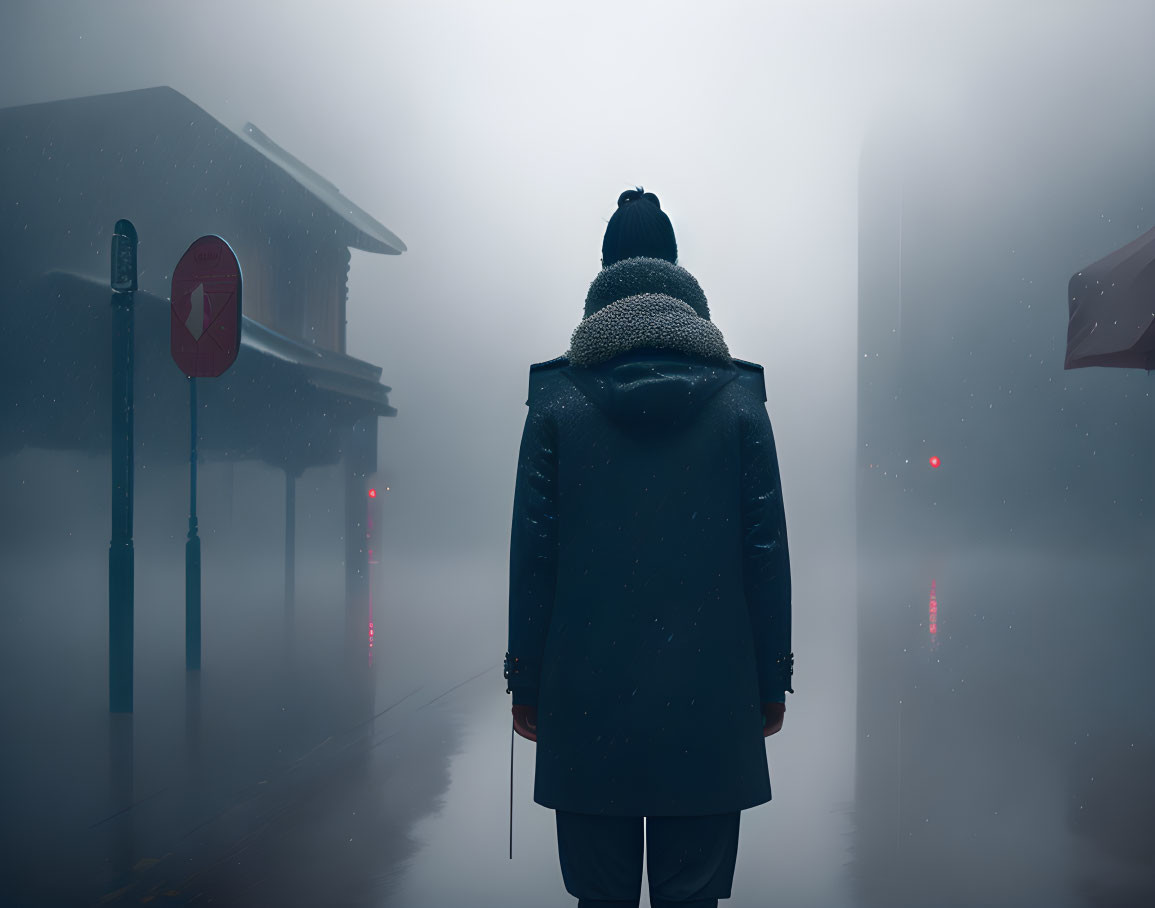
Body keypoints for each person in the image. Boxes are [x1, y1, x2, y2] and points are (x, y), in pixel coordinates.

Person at [504, 187, 793, 908]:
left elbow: (534, 554)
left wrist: (528, 683)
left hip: (585, 703)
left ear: (603, 276)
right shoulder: (736, 406)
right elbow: (765, 553)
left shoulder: (559, 407)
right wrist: (767, 682)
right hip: (709, 702)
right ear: (675, 273)